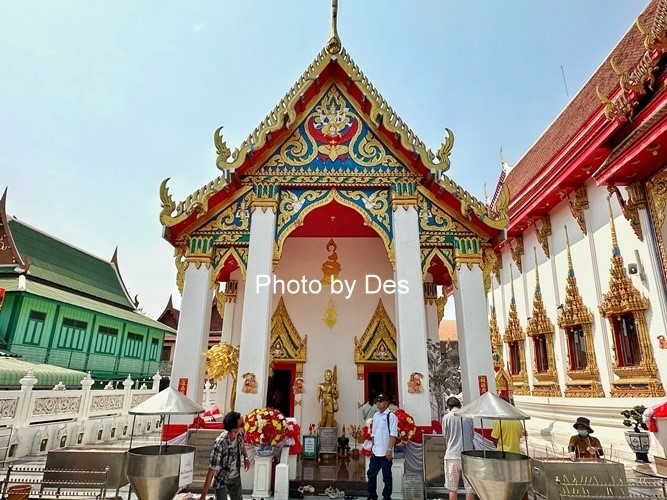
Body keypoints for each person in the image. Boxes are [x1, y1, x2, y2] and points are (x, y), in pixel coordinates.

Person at [201, 411, 250, 500]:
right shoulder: (220, 444)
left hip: (235, 477)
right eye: (242, 424)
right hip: (221, 479)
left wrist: (246, 457)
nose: (244, 425)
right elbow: (211, 471)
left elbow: (241, 444)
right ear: (233, 430)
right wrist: (203, 496)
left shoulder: (239, 434)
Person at [441, 396, 475, 500]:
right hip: (467, 456)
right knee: (470, 488)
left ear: (448, 407)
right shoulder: (468, 417)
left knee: (452, 488)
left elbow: (445, 435)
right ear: (460, 406)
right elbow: (472, 436)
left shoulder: (446, 418)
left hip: (452, 455)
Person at [367, 393, 398, 500]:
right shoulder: (376, 415)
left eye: (380, 401)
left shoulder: (391, 416)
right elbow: (374, 433)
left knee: (387, 477)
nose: (378, 404)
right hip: (376, 451)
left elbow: (393, 434)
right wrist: (372, 447)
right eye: (377, 401)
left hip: (385, 452)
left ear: (386, 403)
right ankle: (372, 496)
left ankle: (386, 497)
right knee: (371, 474)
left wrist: (389, 449)